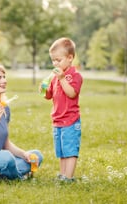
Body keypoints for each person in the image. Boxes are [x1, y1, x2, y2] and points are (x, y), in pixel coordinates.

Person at [41, 37, 83, 182]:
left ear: (70, 58)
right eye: (53, 60)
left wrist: (62, 79)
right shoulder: (54, 77)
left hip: (71, 120)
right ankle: (63, 175)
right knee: (61, 151)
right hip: (58, 120)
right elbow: (48, 96)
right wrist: (44, 88)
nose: (55, 63)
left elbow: (72, 93)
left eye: (58, 60)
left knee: (70, 150)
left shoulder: (75, 76)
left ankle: (69, 177)